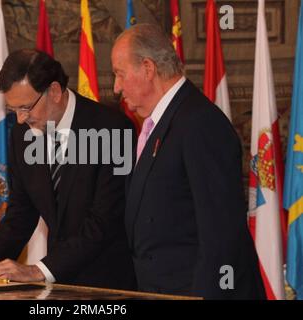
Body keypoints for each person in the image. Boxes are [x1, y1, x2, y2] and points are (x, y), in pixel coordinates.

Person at [0, 49, 136, 290]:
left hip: (107, 285)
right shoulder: (22, 135)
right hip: (57, 286)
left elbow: (103, 222)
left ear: (54, 91)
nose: (20, 119)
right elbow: (22, 209)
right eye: (14, 110)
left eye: (26, 107)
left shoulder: (113, 129)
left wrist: (38, 270)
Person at [111, 23, 266, 299]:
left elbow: (221, 234)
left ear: (148, 68)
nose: (115, 87)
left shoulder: (200, 123)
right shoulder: (163, 122)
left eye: (120, 74)